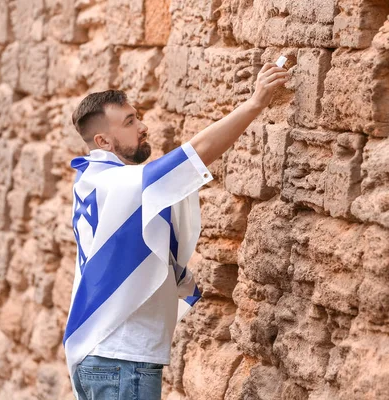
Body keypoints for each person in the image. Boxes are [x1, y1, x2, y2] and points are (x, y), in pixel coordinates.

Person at [64, 62, 290, 400]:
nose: (143, 126)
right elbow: (196, 153)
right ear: (103, 140)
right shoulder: (121, 183)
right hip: (122, 358)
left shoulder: (91, 181)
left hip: (96, 354)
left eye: (137, 116)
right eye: (129, 122)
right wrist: (255, 102)